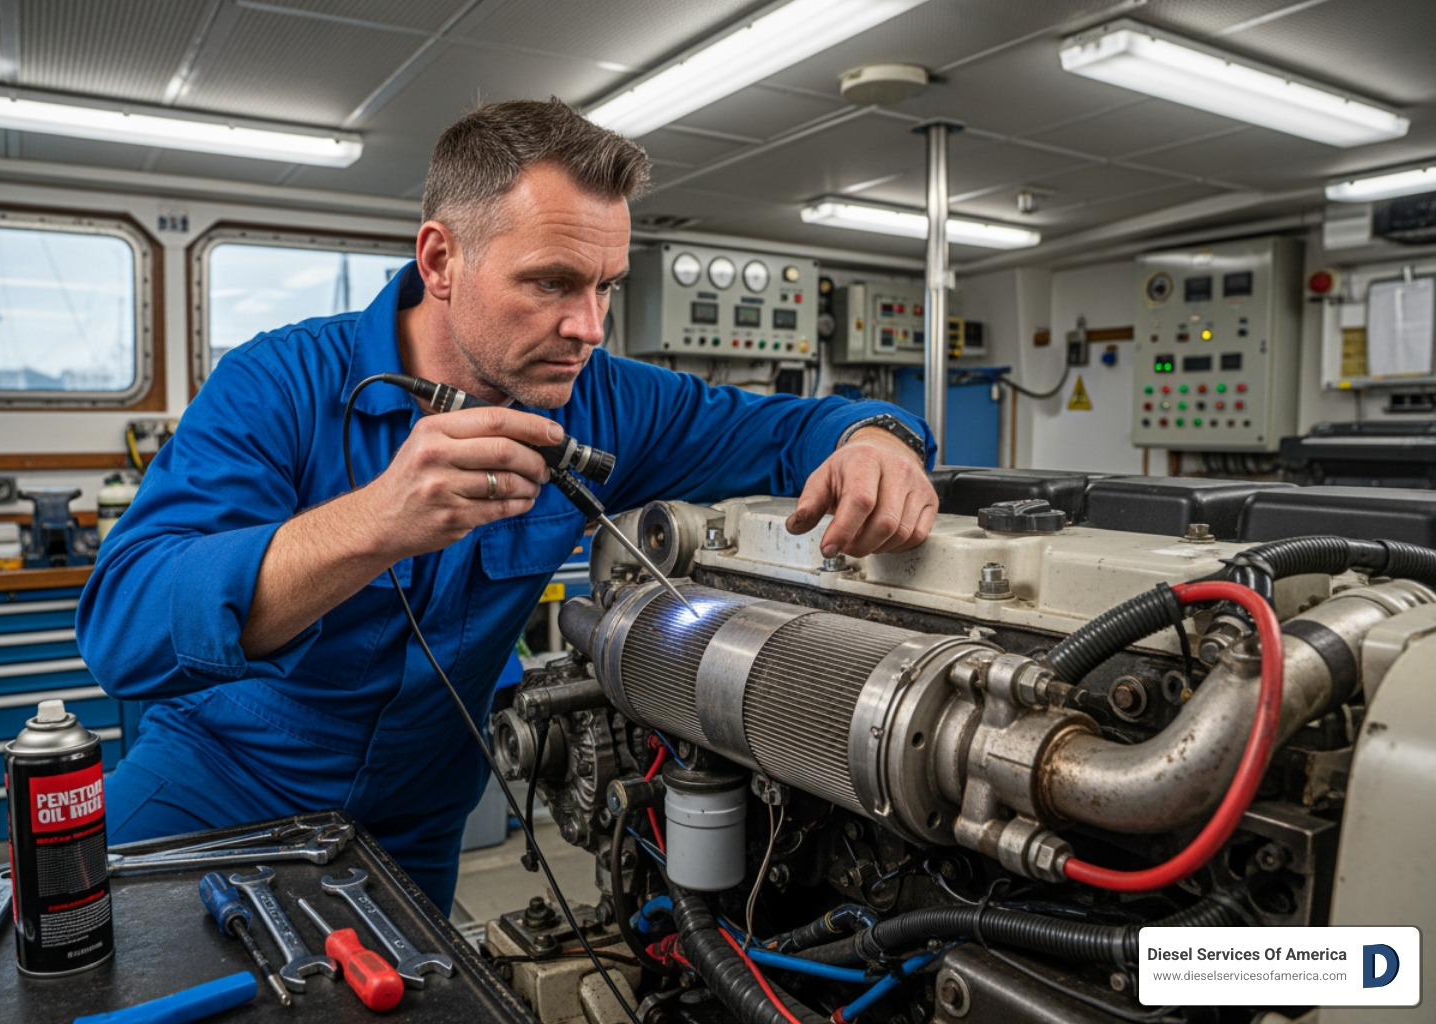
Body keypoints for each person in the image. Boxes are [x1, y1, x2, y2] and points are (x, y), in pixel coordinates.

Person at [78, 98, 938, 913]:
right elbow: (124, 629)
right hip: (216, 783)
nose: (590, 326)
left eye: (605, 285)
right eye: (553, 283)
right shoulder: (278, 383)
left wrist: (879, 440)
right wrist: (374, 521)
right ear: (441, 260)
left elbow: (798, 428)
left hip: (417, 814)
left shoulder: (606, 402)